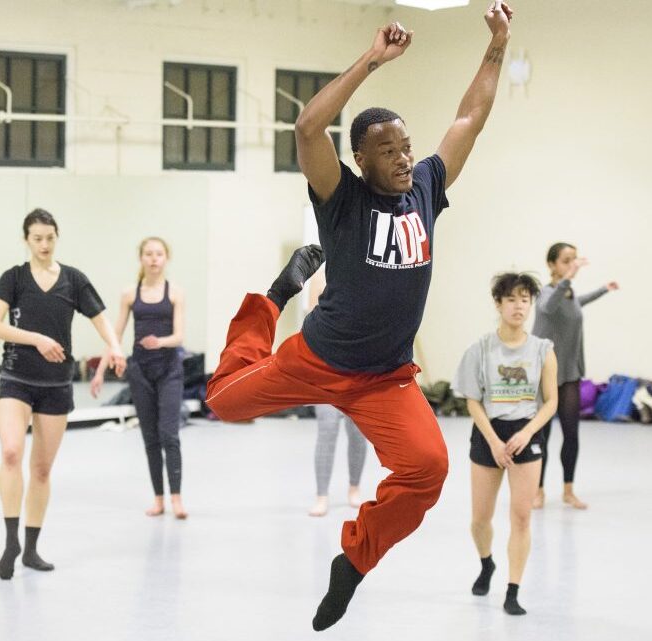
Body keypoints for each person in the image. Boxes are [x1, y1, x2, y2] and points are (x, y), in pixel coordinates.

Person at [203, 3, 514, 630]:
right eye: (387, 151)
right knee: (222, 404)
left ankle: (353, 563)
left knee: (428, 470)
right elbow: (307, 129)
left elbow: (469, 117)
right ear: (362, 161)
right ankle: (270, 300)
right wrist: (372, 60)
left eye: (406, 147)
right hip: (315, 361)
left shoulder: (426, 187)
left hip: (385, 378)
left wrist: (497, 44)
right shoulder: (340, 199)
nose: (403, 158)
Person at [0, 208, 126, 580]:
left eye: (50, 237)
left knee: (42, 470)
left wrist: (114, 346)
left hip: (55, 385)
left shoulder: (73, 280)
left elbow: (100, 318)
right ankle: (10, 540)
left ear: (56, 237)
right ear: (26, 240)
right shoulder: (13, 279)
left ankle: (31, 549)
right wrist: (37, 338)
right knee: (12, 453)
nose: (44, 244)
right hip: (16, 379)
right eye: (37, 238)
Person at [453, 272, 558, 615]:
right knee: (480, 519)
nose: (518, 306)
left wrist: (528, 433)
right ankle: (487, 563)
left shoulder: (543, 350)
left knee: (522, 517)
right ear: (498, 304)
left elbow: (551, 402)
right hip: (489, 433)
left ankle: (513, 590)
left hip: (526, 432)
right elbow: (472, 401)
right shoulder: (480, 349)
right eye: (511, 299)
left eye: (524, 299)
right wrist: (495, 442)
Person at [91, 237, 188, 519]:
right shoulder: (129, 294)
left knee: (169, 434)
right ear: (141, 258)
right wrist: (99, 372)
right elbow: (116, 335)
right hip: (140, 372)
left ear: (166, 258)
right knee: (150, 437)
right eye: (149, 254)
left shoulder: (175, 293)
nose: (154, 259)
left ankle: (177, 498)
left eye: (159, 254)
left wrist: (161, 342)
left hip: (169, 370)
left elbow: (180, 335)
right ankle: (158, 499)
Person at [531, 242, 618, 510]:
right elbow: (548, 307)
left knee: (572, 433)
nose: (572, 265)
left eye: (574, 260)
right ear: (552, 265)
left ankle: (568, 490)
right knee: (541, 434)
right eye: (566, 261)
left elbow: (576, 303)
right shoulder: (547, 293)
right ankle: (538, 490)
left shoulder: (568, 294)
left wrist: (604, 289)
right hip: (546, 374)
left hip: (569, 373)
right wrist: (568, 278)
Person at [304, 269, 366, 518]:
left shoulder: (363, 273)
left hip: (358, 366)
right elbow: (311, 320)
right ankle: (322, 494)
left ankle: (354, 487)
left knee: (357, 431)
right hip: (326, 365)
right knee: (327, 428)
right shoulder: (320, 278)